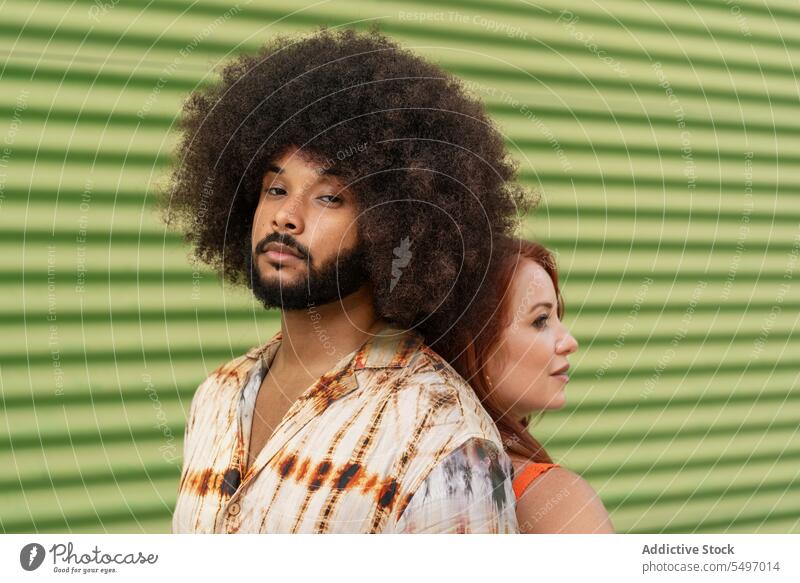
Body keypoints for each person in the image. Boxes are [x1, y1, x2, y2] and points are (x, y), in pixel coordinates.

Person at [160, 27, 534, 533]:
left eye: (329, 197)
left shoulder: (441, 435)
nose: (286, 217)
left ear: (394, 224)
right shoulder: (218, 395)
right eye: (275, 188)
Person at [428, 237, 615, 533]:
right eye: (540, 320)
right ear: (473, 346)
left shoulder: (416, 474)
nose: (569, 342)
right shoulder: (556, 501)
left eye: (557, 317)